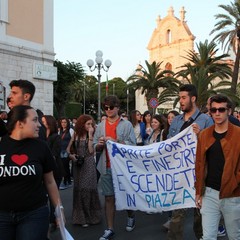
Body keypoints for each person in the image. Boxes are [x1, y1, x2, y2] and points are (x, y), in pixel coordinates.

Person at [0, 105, 63, 240]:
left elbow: (50, 181)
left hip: (34, 214)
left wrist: (59, 209)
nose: (39, 125)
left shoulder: (41, 147)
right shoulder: (1, 145)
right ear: (20, 123)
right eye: (34, 120)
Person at [167, 84, 214, 240]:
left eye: (183, 98)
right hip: (179, 176)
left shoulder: (206, 120)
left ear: (192, 99)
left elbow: (214, 148)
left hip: (200, 176)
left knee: (200, 217)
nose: (180, 101)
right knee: (176, 217)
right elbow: (168, 145)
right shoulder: (176, 121)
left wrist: (201, 136)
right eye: (179, 97)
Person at [195, 94, 240, 239]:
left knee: (234, 236)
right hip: (209, 194)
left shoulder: (238, 134)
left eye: (221, 109)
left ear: (229, 111)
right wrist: (198, 191)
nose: (217, 113)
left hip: (232, 194)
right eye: (213, 110)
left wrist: (236, 183)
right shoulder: (204, 135)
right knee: (208, 237)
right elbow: (200, 164)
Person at [93, 95, 136, 240]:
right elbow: (94, 146)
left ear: (117, 107)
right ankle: (110, 228)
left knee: (125, 194)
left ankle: (131, 215)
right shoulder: (100, 126)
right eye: (106, 108)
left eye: (111, 107)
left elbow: (133, 145)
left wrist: (116, 141)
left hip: (123, 167)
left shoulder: (127, 125)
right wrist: (98, 145)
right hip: (106, 166)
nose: (109, 110)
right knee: (109, 198)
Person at [67, 114, 101, 227]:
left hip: (89, 164)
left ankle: (91, 217)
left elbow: (91, 151)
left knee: (87, 189)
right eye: (88, 124)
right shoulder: (76, 135)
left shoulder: (92, 135)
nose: (90, 126)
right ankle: (81, 219)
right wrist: (72, 156)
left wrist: (90, 135)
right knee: (79, 189)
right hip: (78, 165)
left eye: (91, 124)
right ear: (82, 124)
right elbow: (68, 149)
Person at [41, 115, 64, 232]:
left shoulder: (56, 137)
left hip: (55, 170)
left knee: (52, 197)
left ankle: (52, 221)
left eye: (44, 121)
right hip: (43, 171)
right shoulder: (40, 136)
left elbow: (54, 154)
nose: (41, 123)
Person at [162, 109, 179, 231]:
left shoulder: (181, 131)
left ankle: (174, 220)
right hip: (167, 166)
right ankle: (170, 218)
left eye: (173, 117)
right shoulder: (165, 132)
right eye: (168, 117)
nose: (170, 119)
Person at [59, 117, 74, 189]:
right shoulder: (60, 131)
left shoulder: (70, 130)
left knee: (65, 166)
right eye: (62, 122)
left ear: (67, 123)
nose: (63, 124)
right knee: (63, 166)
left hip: (67, 150)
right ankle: (68, 181)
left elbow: (73, 140)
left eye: (65, 122)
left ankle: (66, 181)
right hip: (61, 150)